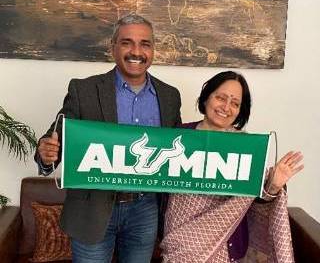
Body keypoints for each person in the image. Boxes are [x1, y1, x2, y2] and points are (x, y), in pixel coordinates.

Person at [35, 14, 181, 263]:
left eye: (145, 43)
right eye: (127, 42)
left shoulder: (169, 96)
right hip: (93, 208)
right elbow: (56, 139)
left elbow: (176, 150)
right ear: (112, 47)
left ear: (153, 49)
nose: (137, 51)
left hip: (144, 210)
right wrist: (46, 152)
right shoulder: (84, 90)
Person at [161, 71, 304, 263]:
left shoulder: (246, 147)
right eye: (220, 97)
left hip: (227, 245)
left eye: (235, 103)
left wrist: (273, 185)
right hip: (182, 246)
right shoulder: (178, 137)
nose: (226, 107)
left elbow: (252, 201)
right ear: (206, 98)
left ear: (239, 111)